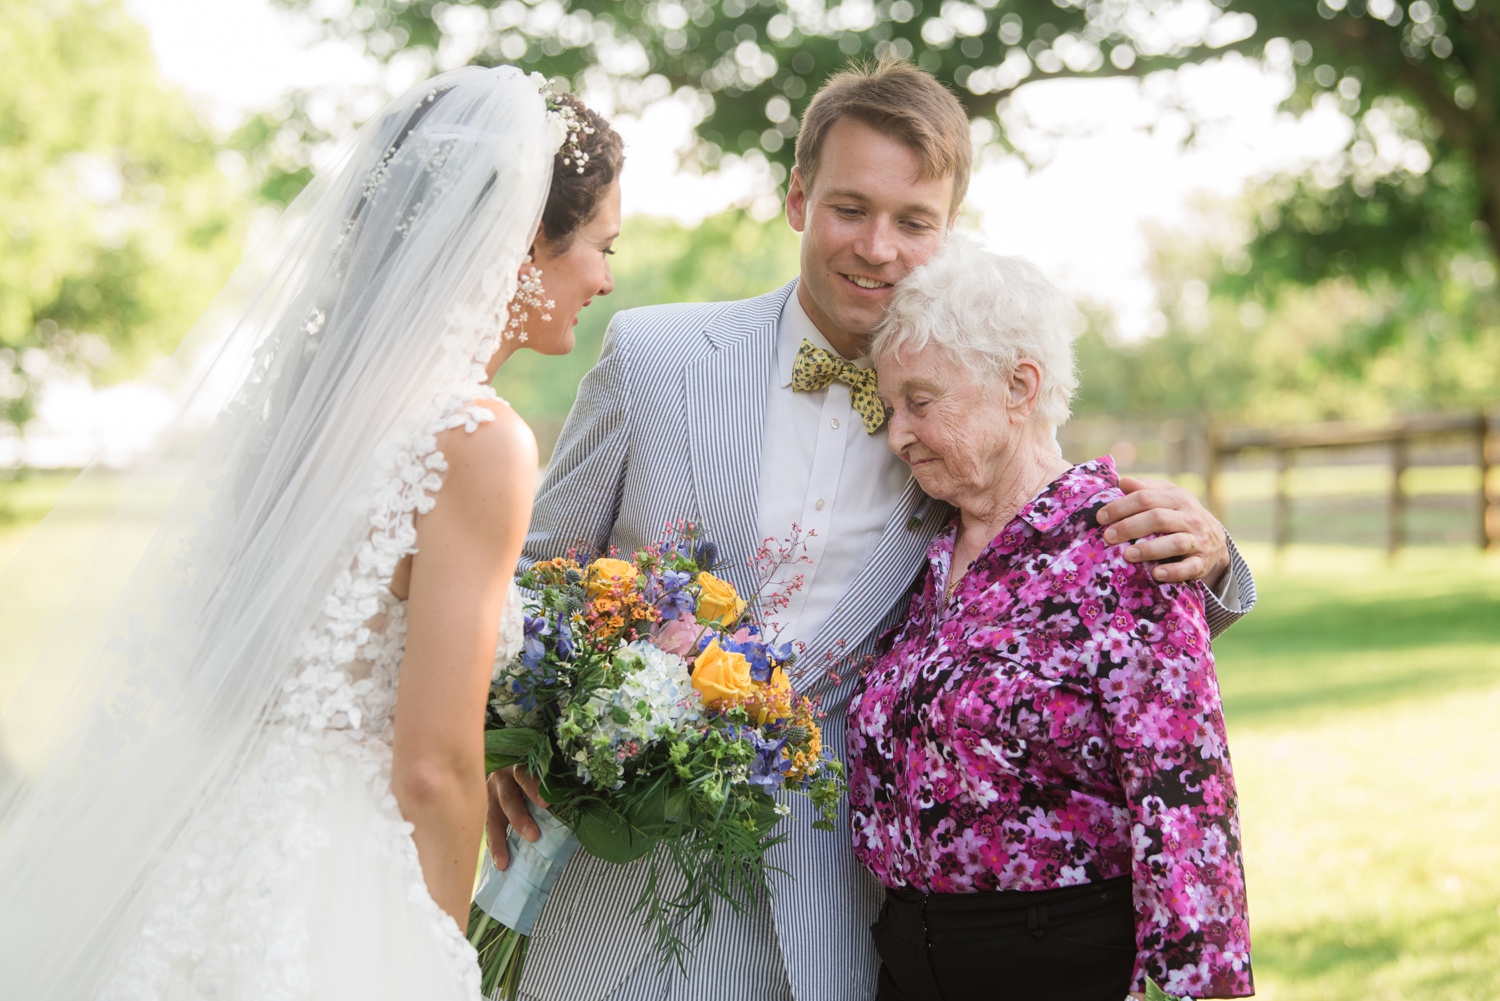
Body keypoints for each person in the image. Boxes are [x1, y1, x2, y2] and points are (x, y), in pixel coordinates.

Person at [489, 60, 1256, 1001]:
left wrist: (1215, 556)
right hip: (627, 879)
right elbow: (531, 573)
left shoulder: (959, 422)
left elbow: (1059, 547)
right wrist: (502, 734)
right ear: (798, 199)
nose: (879, 247)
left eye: (914, 222)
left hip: (843, 908)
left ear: (949, 231)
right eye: (851, 208)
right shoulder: (657, 357)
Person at [0, 66, 622, 1000]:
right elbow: (434, 766)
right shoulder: (478, 440)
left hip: (200, 830)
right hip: (337, 876)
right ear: (529, 242)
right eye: (601, 245)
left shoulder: (304, 407)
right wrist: (439, 956)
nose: (605, 278)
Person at [847, 236, 1252, 1000]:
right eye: (890, 405)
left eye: (921, 402)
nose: (897, 432)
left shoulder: (1124, 548)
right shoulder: (920, 552)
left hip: (1060, 964)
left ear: (1020, 386)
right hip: (910, 961)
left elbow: (1188, 820)